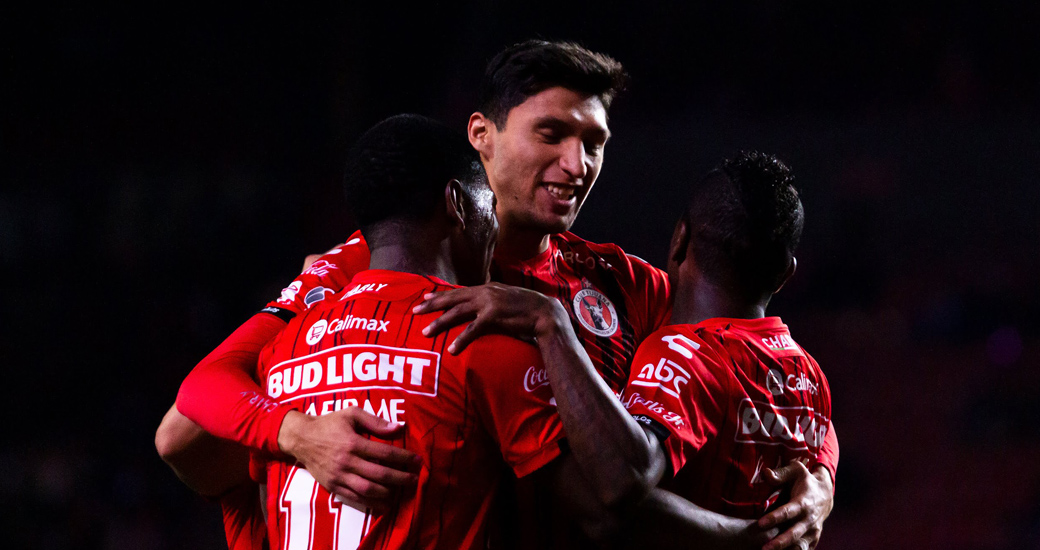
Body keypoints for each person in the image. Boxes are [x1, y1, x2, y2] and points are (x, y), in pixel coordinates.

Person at [157, 40, 837, 548]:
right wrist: (299, 434)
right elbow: (185, 431)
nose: (578, 166)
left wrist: (821, 477)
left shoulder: (615, 280)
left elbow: (751, 355)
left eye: (594, 142)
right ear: (480, 135)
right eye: (552, 134)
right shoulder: (363, 268)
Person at [534, 151, 835, 549]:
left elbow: (617, 485)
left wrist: (552, 327)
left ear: (680, 239)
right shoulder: (812, 375)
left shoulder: (684, 353)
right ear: (785, 274)